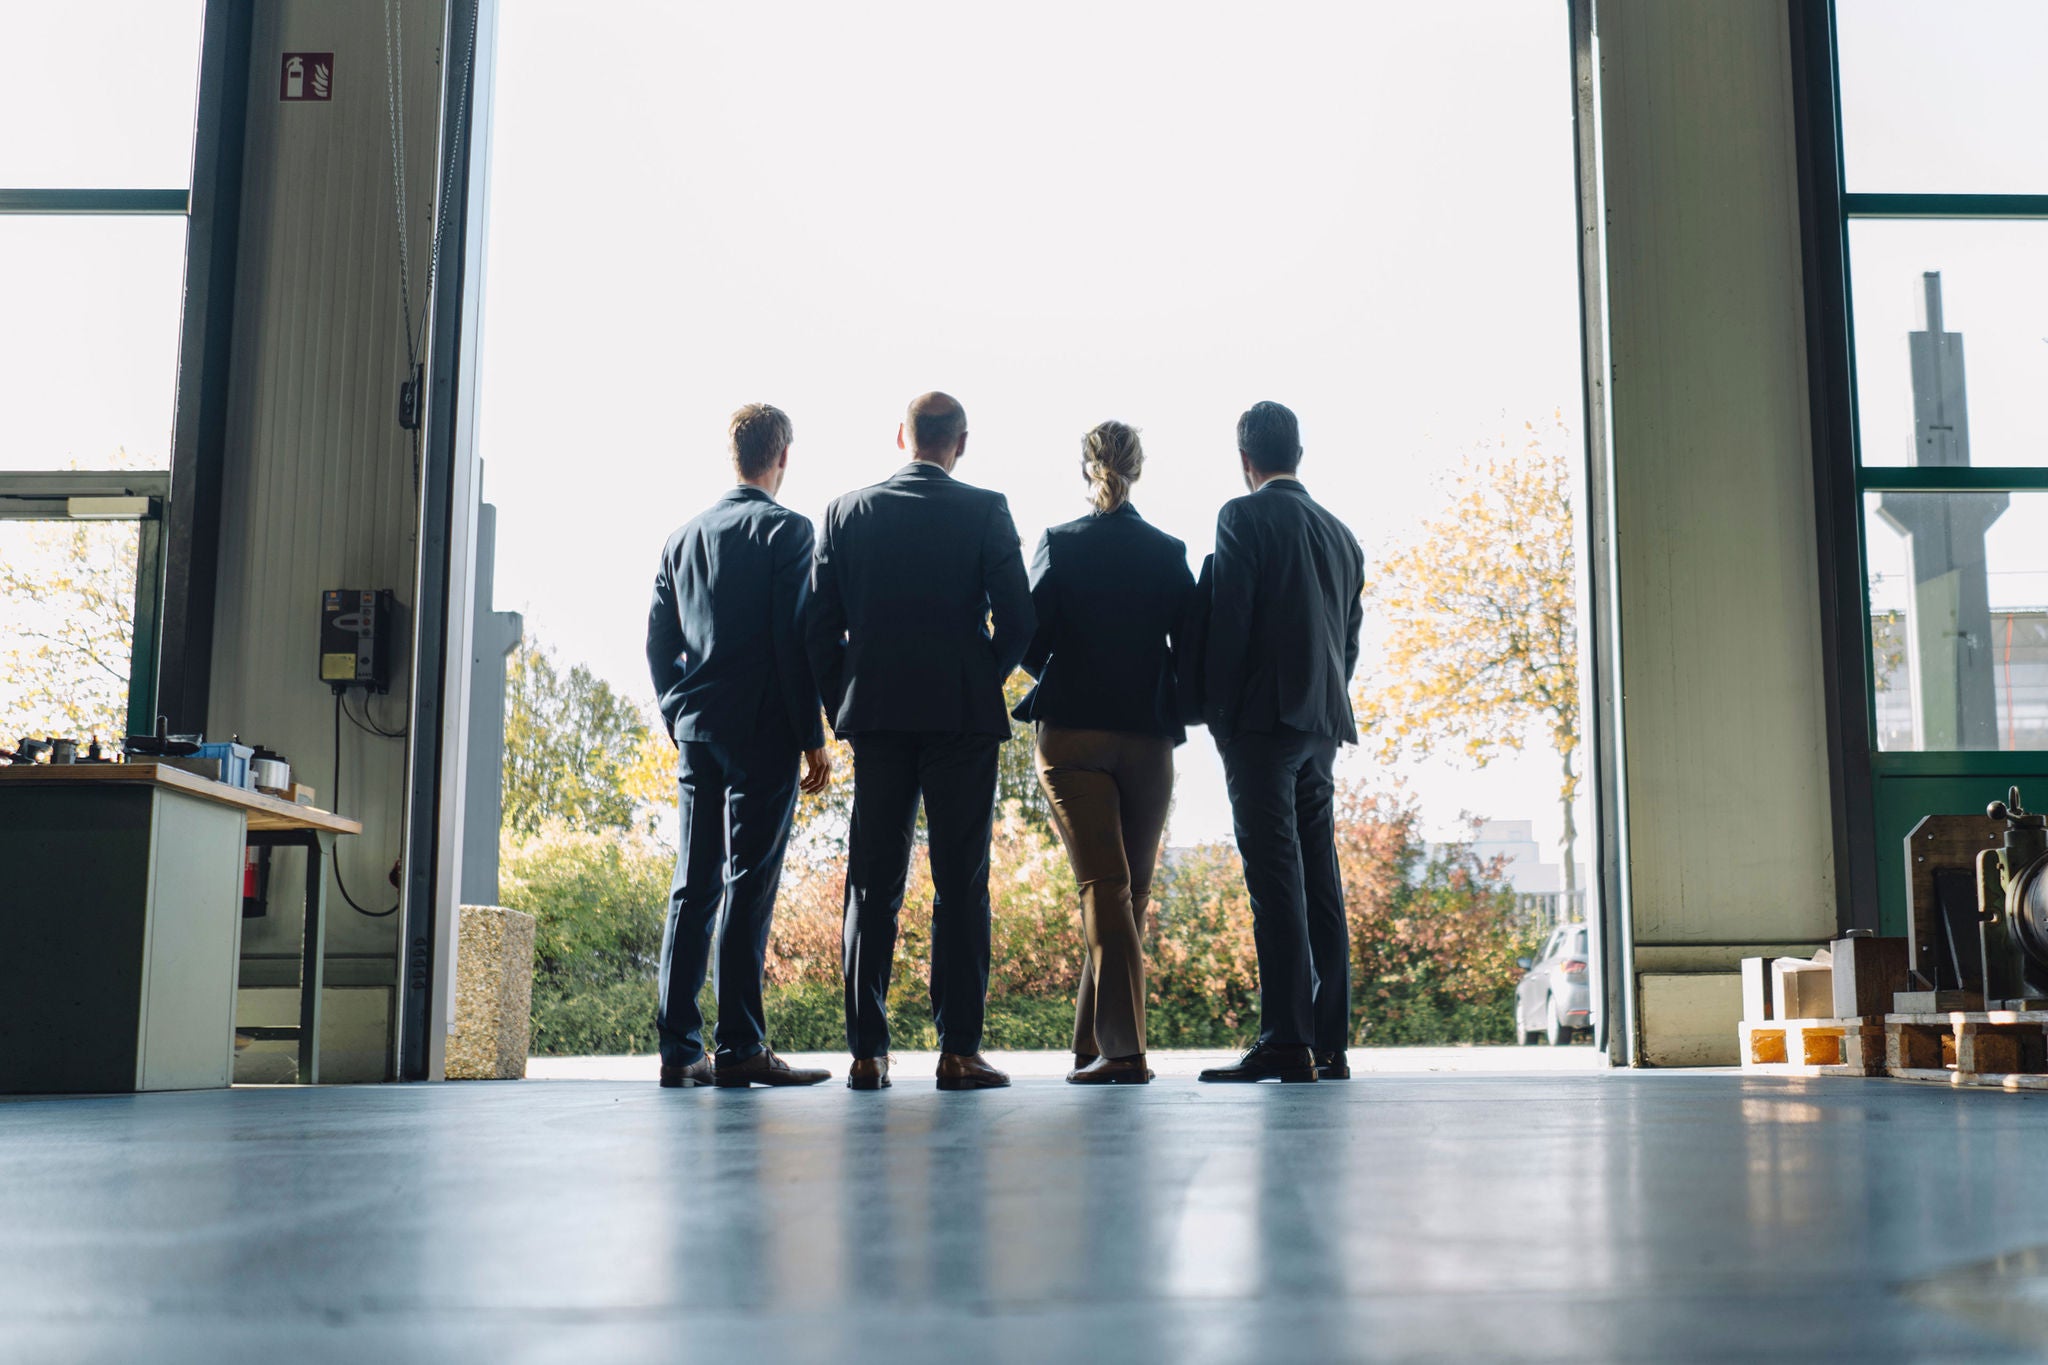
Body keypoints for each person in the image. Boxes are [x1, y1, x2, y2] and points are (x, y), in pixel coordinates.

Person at [805, 392, 1035, 1091]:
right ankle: (958, 1052)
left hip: (876, 715)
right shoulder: (986, 509)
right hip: (961, 717)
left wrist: (845, 696)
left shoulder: (847, 512)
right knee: (960, 883)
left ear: (900, 436)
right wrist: (978, 675)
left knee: (873, 882)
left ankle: (868, 1054)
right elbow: (1020, 620)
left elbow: (818, 626)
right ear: (960, 441)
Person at [645, 403, 834, 1089]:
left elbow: (660, 644)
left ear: (735, 455)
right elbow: (793, 641)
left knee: (692, 885)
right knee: (748, 884)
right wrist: (813, 735)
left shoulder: (681, 538)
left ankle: (678, 1049)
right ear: (782, 456)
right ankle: (740, 1047)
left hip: (699, 732)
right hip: (765, 729)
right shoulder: (788, 531)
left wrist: (680, 714)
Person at [1013, 421, 1197, 1085]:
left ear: (1085, 470)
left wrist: (1061, 669)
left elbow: (1027, 638)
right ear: (1137, 469)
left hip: (1072, 735)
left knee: (1112, 890)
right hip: (1148, 737)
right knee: (1126, 893)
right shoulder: (1167, 551)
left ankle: (1100, 1045)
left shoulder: (1060, 545)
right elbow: (1194, 647)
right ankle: (1118, 1051)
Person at [1197, 400, 1365, 1084]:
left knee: (1275, 878)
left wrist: (1218, 712)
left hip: (1261, 722)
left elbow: (1232, 619)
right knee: (1319, 875)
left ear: (1245, 460)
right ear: (1299, 452)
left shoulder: (1243, 517)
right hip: (1322, 722)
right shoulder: (1342, 534)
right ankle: (1330, 1042)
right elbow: (1347, 640)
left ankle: (1285, 1041)